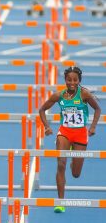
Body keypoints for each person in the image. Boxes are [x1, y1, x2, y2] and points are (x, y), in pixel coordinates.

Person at [39, 66, 101, 213]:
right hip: (64, 133)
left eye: (75, 80)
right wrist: (47, 127)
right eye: (69, 80)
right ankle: (60, 202)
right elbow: (42, 109)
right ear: (65, 80)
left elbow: (97, 109)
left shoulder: (84, 94)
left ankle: (74, 158)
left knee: (76, 174)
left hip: (80, 134)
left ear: (79, 81)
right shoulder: (59, 96)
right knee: (61, 164)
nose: (72, 82)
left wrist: (92, 127)